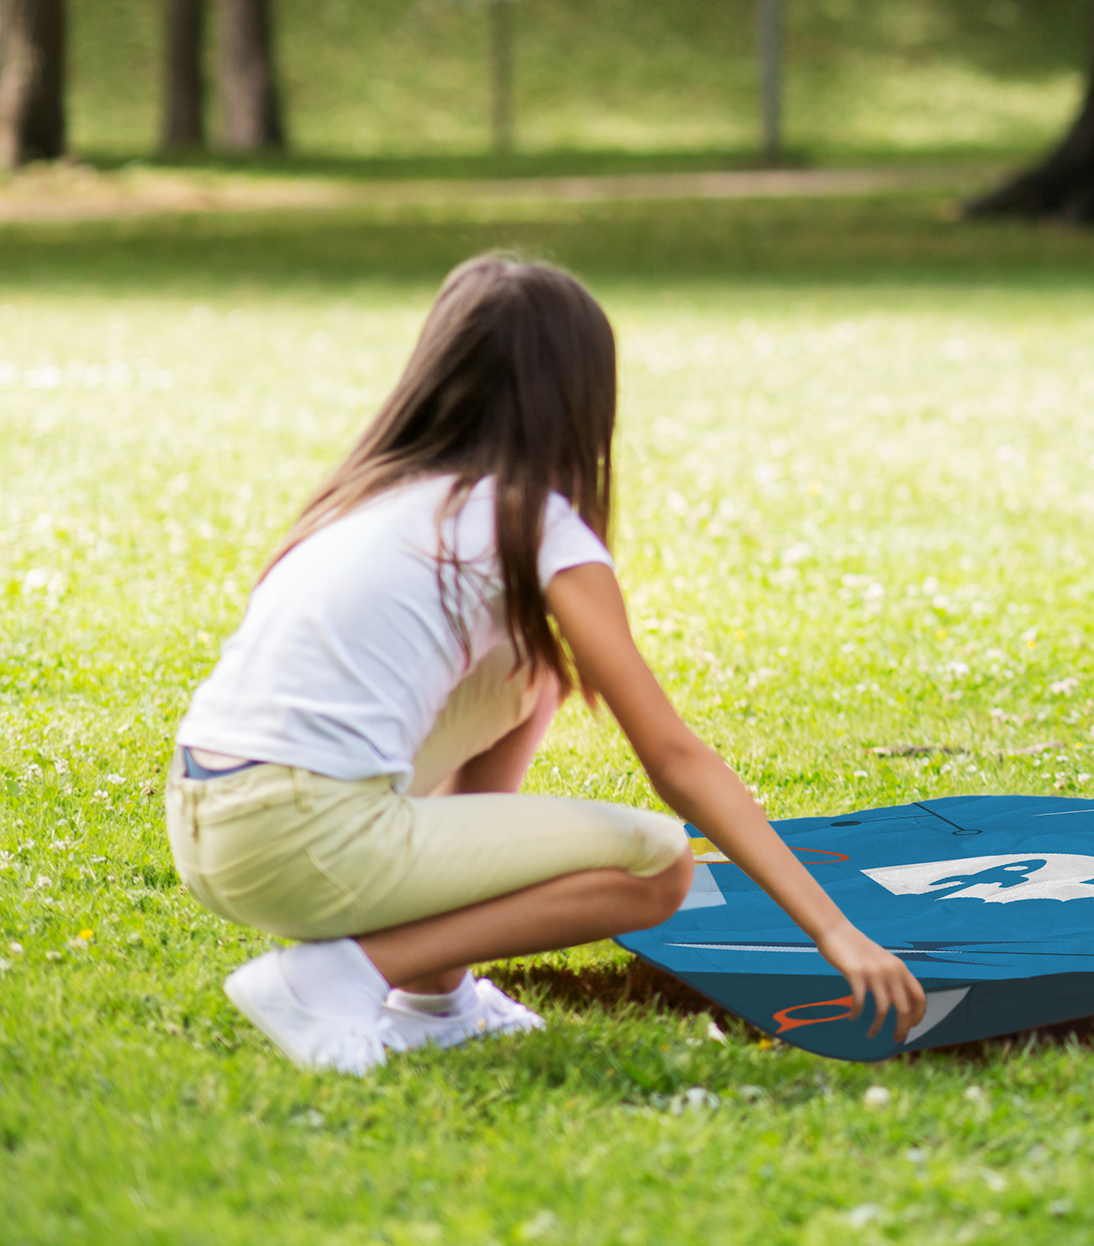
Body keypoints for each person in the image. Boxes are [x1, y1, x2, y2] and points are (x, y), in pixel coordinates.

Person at [166, 254, 925, 1073]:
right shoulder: (532, 524)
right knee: (657, 865)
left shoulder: (367, 496)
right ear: (580, 398)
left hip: (207, 822)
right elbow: (673, 759)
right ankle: (338, 978)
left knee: (532, 670)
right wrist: (833, 930)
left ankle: (436, 999)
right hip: (304, 839)